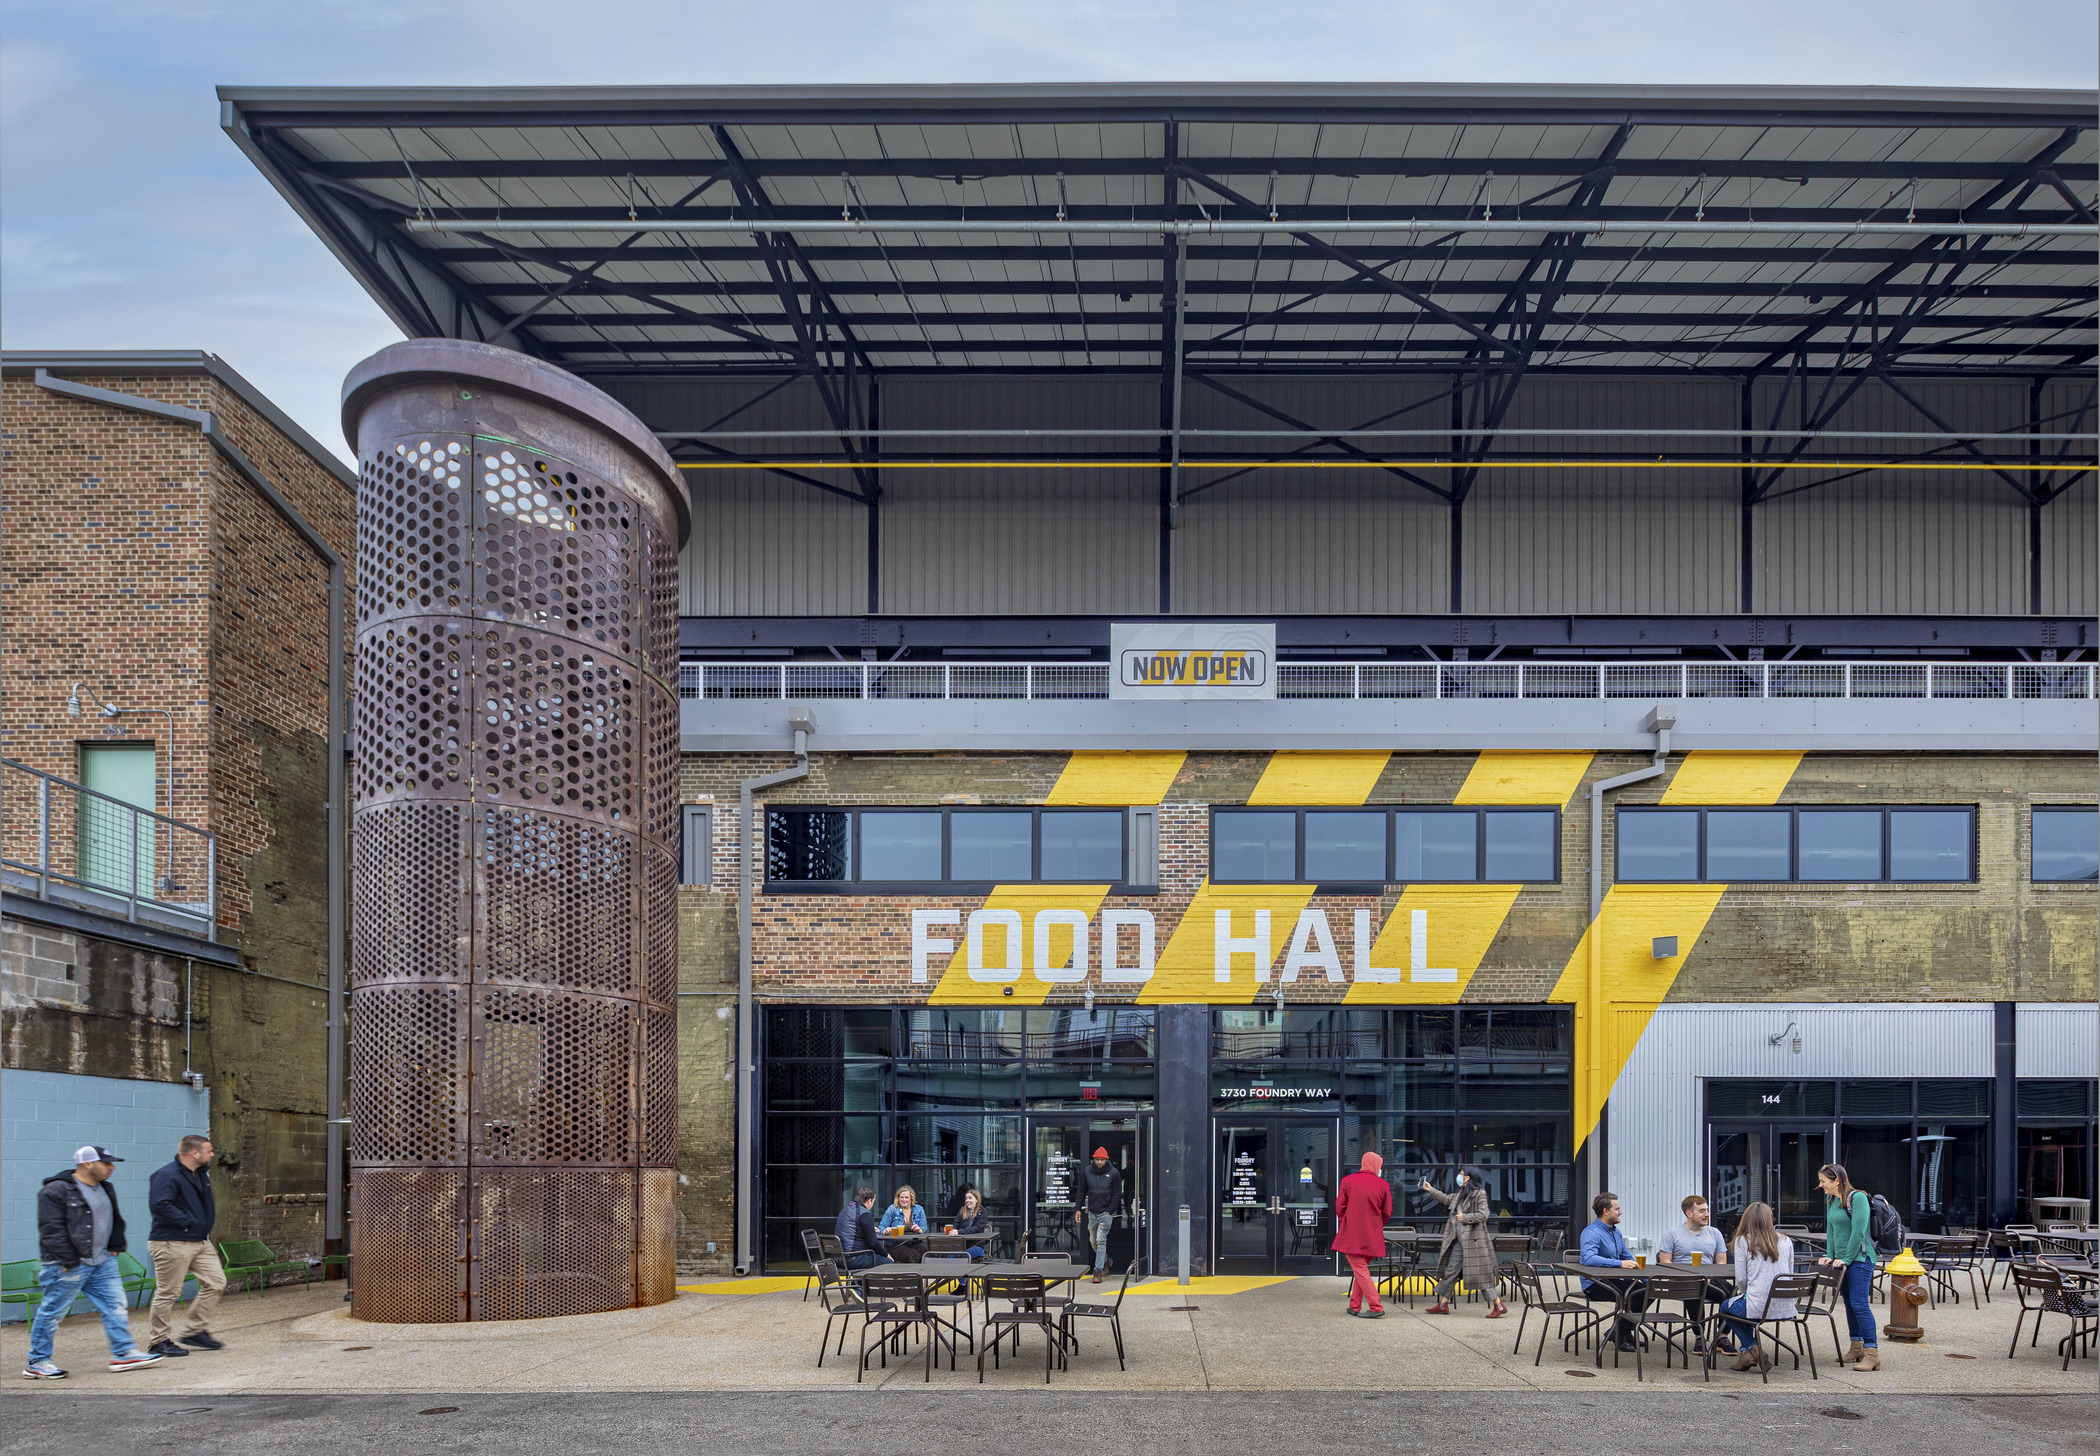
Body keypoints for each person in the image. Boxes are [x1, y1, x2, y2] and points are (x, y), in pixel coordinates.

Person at [24, 1146, 163, 1378]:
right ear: (88, 1164)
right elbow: (51, 1230)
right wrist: (70, 1259)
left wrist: (115, 1248)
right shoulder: (56, 1190)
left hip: (102, 1261)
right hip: (69, 1264)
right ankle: (37, 1361)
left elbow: (114, 1219)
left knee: (115, 1306)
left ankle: (123, 1353)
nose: (112, 1167)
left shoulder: (105, 1187)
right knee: (52, 1312)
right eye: (107, 1163)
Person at [144, 1135, 227, 1359]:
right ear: (194, 1153)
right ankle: (159, 1341)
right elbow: (160, 1204)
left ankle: (194, 1331)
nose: (212, 1154)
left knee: (216, 1282)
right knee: (168, 1292)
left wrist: (199, 1227)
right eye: (208, 1151)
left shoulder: (201, 1175)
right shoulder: (167, 1175)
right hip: (172, 1241)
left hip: (199, 1241)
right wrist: (188, 1222)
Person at [1717, 1200, 1797, 1374]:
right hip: (1785, 1306)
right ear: (1770, 1219)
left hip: (1758, 1306)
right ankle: (1745, 1353)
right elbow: (1789, 1273)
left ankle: (1752, 1348)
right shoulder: (1786, 1240)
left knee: (1726, 1308)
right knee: (1737, 1309)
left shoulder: (1742, 1241)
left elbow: (1742, 1280)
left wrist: (1746, 1294)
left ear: (1746, 1219)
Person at [1816, 1162, 1880, 1371]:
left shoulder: (1858, 1198)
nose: (1821, 1185)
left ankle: (1872, 1354)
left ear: (1837, 1180)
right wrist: (1830, 1255)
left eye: (1823, 1181)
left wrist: (1848, 1258)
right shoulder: (1831, 1199)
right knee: (1850, 1303)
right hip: (1842, 1260)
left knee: (1860, 1304)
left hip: (1860, 1259)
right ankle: (1857, 1347)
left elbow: (1858, 1231)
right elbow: (1832, 1230)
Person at [1655, 1192, 1732, 1355]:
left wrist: (1712, 1276)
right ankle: (1699, 1336)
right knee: (1694, 1289)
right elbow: (1664, 1261)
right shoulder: (1673, 1234)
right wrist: (1685, 1274)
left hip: (1710, 1278)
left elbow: (1721, 1262)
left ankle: (1722, 1336)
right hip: (1681, 1280)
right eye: (1702, 1211)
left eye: (1707, 1210)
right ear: (1688, 1213)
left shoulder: (1714, 1233)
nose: (1707, 1214)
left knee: (1732, 1294)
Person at [1421, 1166, 1504, 1318]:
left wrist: (1464, 1217)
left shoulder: (1479, 1193)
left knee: (1480, 1275)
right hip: (1459, 1241)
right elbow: (1447, 1199)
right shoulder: (1461, 1192)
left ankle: (1498, 1305)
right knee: (1450, 1272)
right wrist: (1431, 1190)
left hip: (1474, 1242)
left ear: (1468, 1177)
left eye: (1461, 1174)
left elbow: (1483, 1214)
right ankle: (1443, 1304)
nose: (1459, 1176)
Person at [1577, 1190, 1646, 1353]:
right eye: (1617, 1209)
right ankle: (1619, 1331)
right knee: (1640, 1294)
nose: (1621, 1212)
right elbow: (1588, 1258)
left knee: (1646, 1290)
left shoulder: (1615, 1231)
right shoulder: (1591, 1233)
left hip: (1615, 1281)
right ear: (1605, 1211)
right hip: (1595, 1284)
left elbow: (1625, 1255)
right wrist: (1620, 1264)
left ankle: (1622, 1330)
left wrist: (1647, 1280)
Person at [1333, 1150, 1393, 1318]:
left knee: (1359, 1269)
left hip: (1352, 1234)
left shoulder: (1348, 1181)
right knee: (1361, 1269)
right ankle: (1354, 1305)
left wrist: (1346, 1222)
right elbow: (1387, 1212)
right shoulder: (1383, 1184)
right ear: (1376, 1165)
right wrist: (1376, 1225)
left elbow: (1340, 1207)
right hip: (1372, 1236)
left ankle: (1376, 1306)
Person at [1072, 1147, 1124, 1283]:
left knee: (1101, 1240)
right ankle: (1107, 1260)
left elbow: (1117, 1193)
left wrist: (1109, 1211)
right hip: (1092, 1212)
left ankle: (1098, 1271)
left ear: (1106, 1160)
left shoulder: (1114, 1173)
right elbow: (1081, 1191)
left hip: (1105, 1213)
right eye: (1097, 1160)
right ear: (1093, 1159)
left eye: (1102, 1160)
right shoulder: (1087, 1171)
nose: (1099, 1162)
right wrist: (1078, 1208)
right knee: (1093, 1241)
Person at [834, 1187, 891, 1271]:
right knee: (889, 1263)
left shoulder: (846, 1209)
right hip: (852, 1258)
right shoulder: (865, 1213)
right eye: (873, 1202)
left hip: (838, 1258)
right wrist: (886, 1255)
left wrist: (869, 1229)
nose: (872, 1205)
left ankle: (859, 1283)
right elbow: (873, 1243)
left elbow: (852, 1229)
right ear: (869, 1200)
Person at [876, 1184, 928, 1263]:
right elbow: (881, 1227)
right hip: (896, 1243)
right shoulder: (892, 1209)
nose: (904, 1200)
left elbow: (923, 1227)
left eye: (906, 1197)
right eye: (901, 1197)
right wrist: (885, 1231)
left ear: (911, 1198)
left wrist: (919, 1229)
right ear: (898, 1198)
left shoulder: (919, 1209)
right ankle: (912, 1274)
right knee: (910, 1254)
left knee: (925, 1250)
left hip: (914, 1241)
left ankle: (926, 1273)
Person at [948, 1187, 993, 1260]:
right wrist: (953, 1230)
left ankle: (961, 1271)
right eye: (966, 1198)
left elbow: (977, 1228)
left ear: (977, 1200)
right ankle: (950, 1271)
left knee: (962, 1255)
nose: (967, 1200)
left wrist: (958, 1232)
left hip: (977, 1245)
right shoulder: (962, 1210)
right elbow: (956, 1224)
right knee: (950, 1255)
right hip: (961, 1244)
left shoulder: (983, 1212)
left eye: (970, 1198)